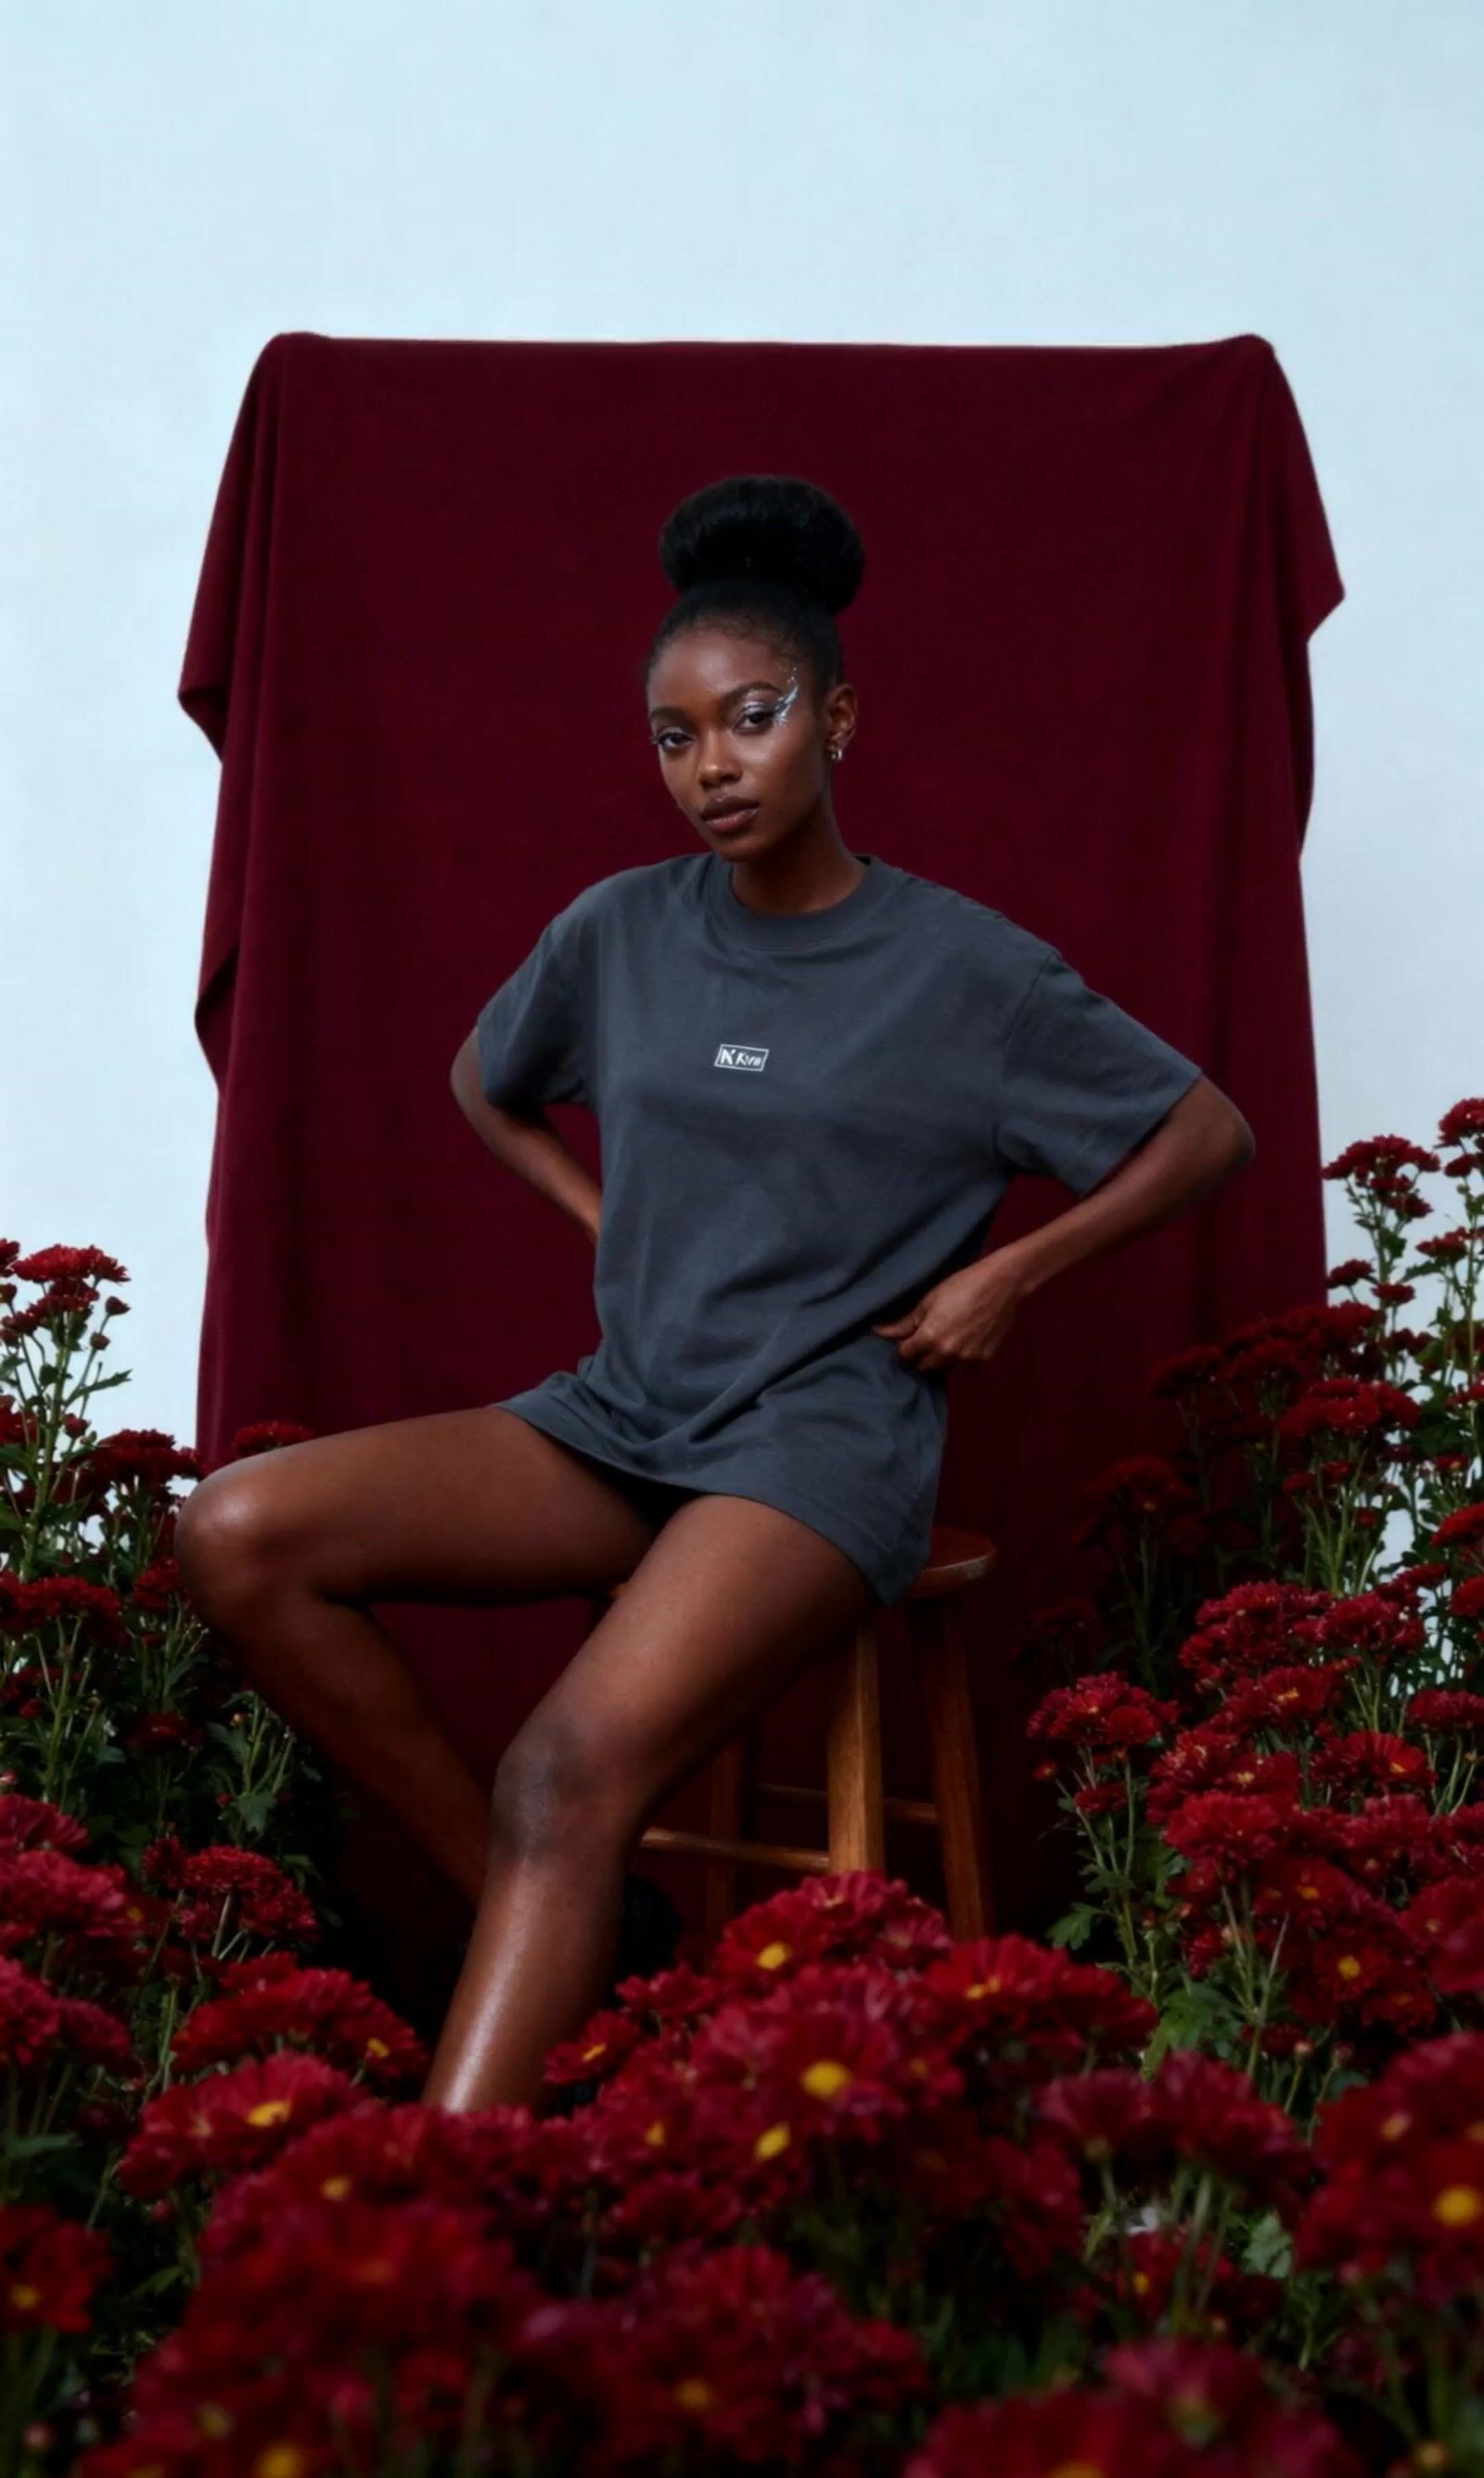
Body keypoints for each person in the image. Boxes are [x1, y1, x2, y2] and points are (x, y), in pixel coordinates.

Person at [173, 472, 1254, 2115]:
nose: (712, 768)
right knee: (239, 1532)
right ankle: (573, 1927)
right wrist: (603, 1214)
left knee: (565, 1768)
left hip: (817, 1442)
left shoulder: (966, 970)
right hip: (626, 1414)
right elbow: (487, 1079)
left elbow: (1205, 1128)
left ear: (834, 714)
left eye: (748, 720)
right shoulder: (622, 931)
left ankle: (438, 2219)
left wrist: (1008, 1279)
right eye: (675, 738)